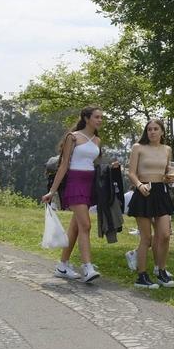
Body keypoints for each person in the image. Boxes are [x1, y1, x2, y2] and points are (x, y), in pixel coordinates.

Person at [42, 106, 104, 283]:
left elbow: (92, 163)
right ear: (86, 118)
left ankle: (62, 265)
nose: (100, 120)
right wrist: (52, 192)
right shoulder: (73, 137)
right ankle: (87, 267)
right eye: (96, 117)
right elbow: (63, 166)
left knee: (76, 227)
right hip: (75, 183)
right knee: (86, 225)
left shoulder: (97, 140)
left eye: (101, 117)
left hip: (89, 184)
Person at [126, 119, 174, 289]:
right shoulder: (138, 148)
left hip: (161, 192)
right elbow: (131, 173)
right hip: (143, 192)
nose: (152, 132)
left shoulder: (167, 150)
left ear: (162, 131)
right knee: (146, 238)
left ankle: (161, 271)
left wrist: (172, 178)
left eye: (156, 129)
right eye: (149, 129)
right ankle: (141, 276)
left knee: (164, 234)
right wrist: (139, 185)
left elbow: (168, 173)